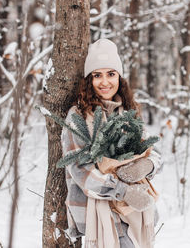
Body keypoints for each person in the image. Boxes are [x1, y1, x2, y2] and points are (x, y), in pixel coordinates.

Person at [61, 38, 163, 248]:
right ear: (89, 79)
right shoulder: (78, 116)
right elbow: (81, 170)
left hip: (133, 211)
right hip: (98, 211)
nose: (105, 82)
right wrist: (123, 191)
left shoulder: (127, 112)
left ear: (119, 77)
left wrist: (146, 166)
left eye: (111, 74)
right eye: (97, 75)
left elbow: (153, 152)